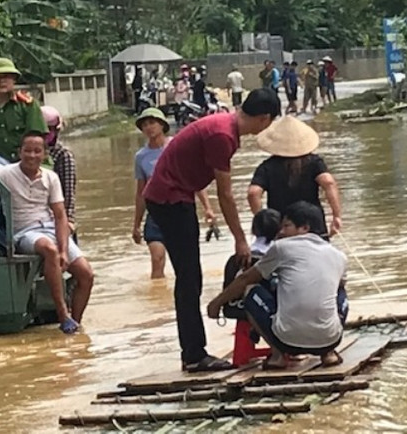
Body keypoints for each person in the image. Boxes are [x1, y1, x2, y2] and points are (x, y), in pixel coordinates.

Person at [144, 88, 281, 372]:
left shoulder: (223, 126)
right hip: (171, 200)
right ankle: (194, 355)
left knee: (189, 277)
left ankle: (193, 351)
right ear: (264, 118)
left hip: (173, 196)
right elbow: (226, 194)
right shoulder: (223, 136)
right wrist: (241, 240)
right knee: (189, 279)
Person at [0, 132, 92, 333]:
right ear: (20, 152)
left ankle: (74, 325)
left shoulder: (50, 177)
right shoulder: (6, 174)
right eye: (27, 150)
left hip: (51, 228)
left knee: (86, 274)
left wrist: (64, 250)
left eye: (37, 151)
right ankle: (62, 314)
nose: (32, 155)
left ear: (44, 154)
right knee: (49, 249)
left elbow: (60, 215)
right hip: (24, 233)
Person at [207, 201, 348, 370]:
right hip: (329, 339)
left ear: (304, 228)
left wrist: (216, 303)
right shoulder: (339, 256)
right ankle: (329, 353)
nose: (280, 232)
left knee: (251, 290)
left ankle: (277, 355)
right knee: (339, 290)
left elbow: (245, 279)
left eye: (286, 226)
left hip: (286, 341)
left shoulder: (282, 248)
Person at [132, 107, 216, 279]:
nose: (149, 128)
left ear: (162, 125)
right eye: (145, 125)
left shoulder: (177, 145)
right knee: (157, 257)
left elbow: (193, 179)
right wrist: (136, 224)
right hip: (156, 212)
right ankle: (158, 297)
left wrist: (208, 207)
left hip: (179, 208)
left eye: (152, 123)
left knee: (185, 262)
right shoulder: (141, 157)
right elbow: (141, 191)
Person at [248, 115, 343, 235]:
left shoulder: (267, 167)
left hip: (283, 224)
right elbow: (328, 182)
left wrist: (263, 222)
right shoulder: (314, 162)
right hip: (312, 221)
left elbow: (253, 193)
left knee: (283, 253)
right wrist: (336, 216)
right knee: (319, 251)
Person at [0, 57, 48, 162]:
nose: (2, 81)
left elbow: (37, 141)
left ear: (14, 79)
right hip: (0, 166)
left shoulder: (28, 105)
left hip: (31, 164)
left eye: (6, 76)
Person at [41, 106, 78, 237]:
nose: (47, 134)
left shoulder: (63, 155)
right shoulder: (30, 152)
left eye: (51, 130)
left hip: (58, 215)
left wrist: (68, 218)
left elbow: (68, 190)